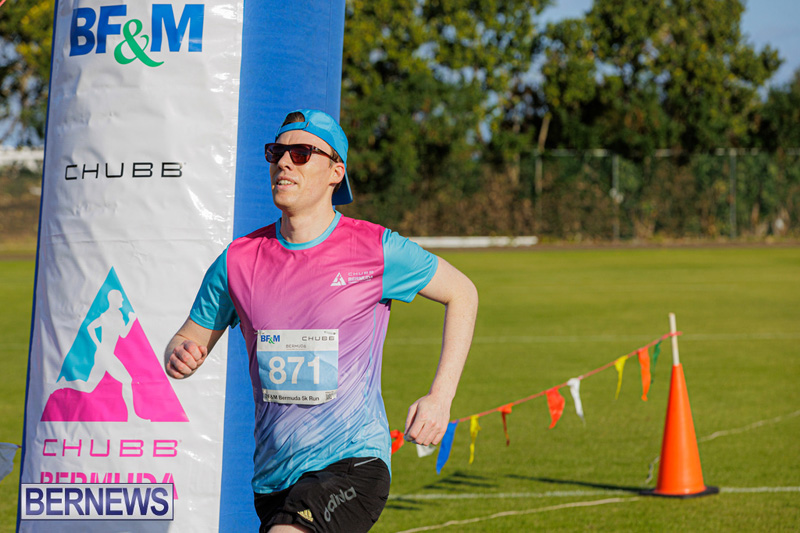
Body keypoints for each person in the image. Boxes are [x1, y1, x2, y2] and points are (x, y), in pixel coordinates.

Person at [164, 109, 478, 533]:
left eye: (300, 153)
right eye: (276, 152)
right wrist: (179, 353)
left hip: (353, 463)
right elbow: (188, 337)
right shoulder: (238, 260)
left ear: (335, 172)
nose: (284, 162)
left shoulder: (376, 248)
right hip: (274, 477)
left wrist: (440, 397)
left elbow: (462, 292)